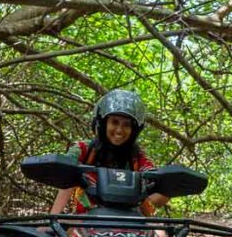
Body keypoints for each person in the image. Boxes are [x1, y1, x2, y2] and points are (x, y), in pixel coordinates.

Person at [49, 89, 169, 217]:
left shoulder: (137, 157)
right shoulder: (84, 149)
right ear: (103, 123)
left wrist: (168, 186)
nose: (119, 130)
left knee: (161, 236)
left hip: (131, 222)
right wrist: (52, 219)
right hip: (86, 219)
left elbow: (153, 176)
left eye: (126, 125)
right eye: (114, 122)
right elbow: (65, 175)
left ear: (134, 130)